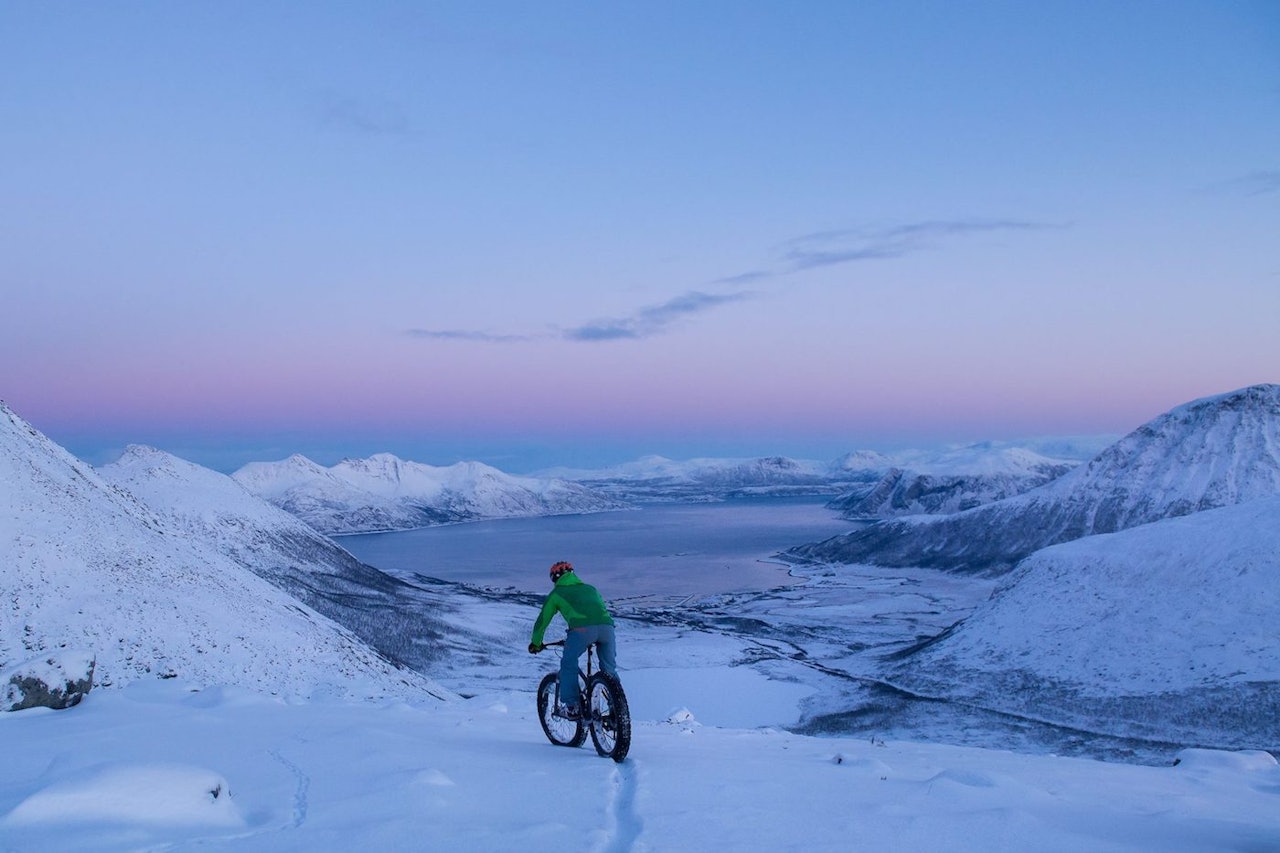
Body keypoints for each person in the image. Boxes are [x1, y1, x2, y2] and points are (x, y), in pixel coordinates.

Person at [528, 560, 617, 718]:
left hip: (582, 631)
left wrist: (536, 644)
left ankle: (572, 706)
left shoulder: (557, 593)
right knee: (609, 670)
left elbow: (542, 621)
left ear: (555, 578)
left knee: (569, 663)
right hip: (607, 629)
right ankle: (617, 706)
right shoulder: (591, 588)